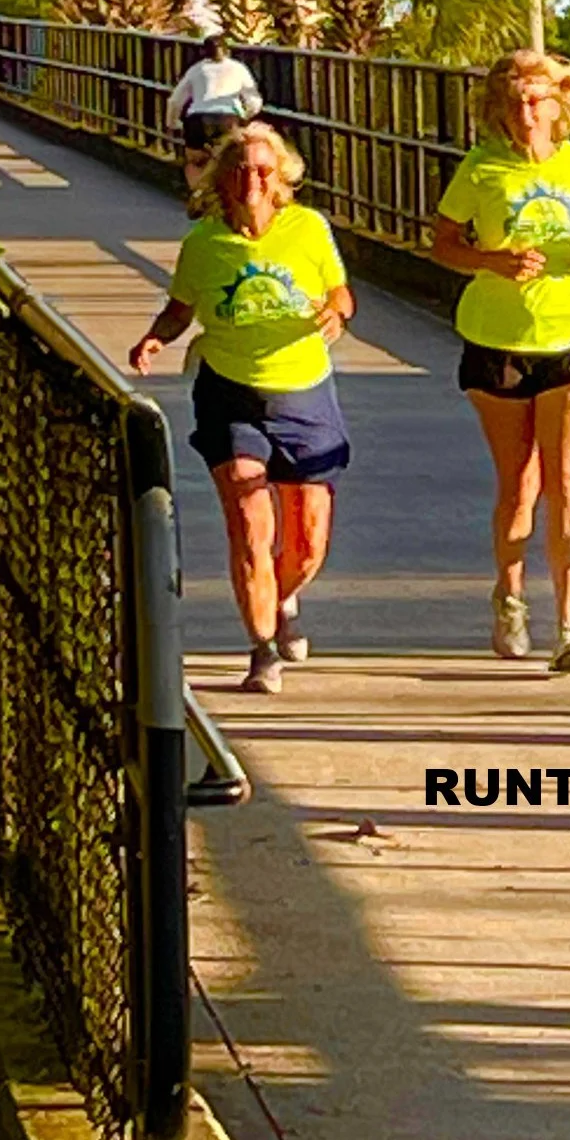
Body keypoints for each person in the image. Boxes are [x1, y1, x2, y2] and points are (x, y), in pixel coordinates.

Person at [128, 122, 354, 694]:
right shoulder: (204, 243)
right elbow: (182, 308)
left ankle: (284, 600)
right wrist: (158, 336)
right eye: (240, 169)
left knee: (307, 540)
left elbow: (340, 292)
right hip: (230, 393)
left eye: (262, 170)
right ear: (221, 180)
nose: (251, 180)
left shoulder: (309, 229)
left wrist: (337, 314)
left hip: (304, 392)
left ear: (281, 180)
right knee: (250, 524)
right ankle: (261, 648)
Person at [431, 49, 570, 674]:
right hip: (498, 339)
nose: (526, 111)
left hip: (569, 335)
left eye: (536, 99)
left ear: (559, 105)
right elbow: (444, 243)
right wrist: (494, 261)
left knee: (569, 478)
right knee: (521, 484)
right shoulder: (481, 169)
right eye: (514, 101)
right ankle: (510, 597)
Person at [166, 34, 263, 192]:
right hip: (228, 119)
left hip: (198, 119)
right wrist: (245, 116)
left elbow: (175, 100)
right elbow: (254, 100)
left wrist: (173, 123)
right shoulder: (238, 68)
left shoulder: (196, 70)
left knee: (196, 162)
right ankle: (227, 195)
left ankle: (199, 195)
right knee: (228, 160)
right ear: (227, 51)